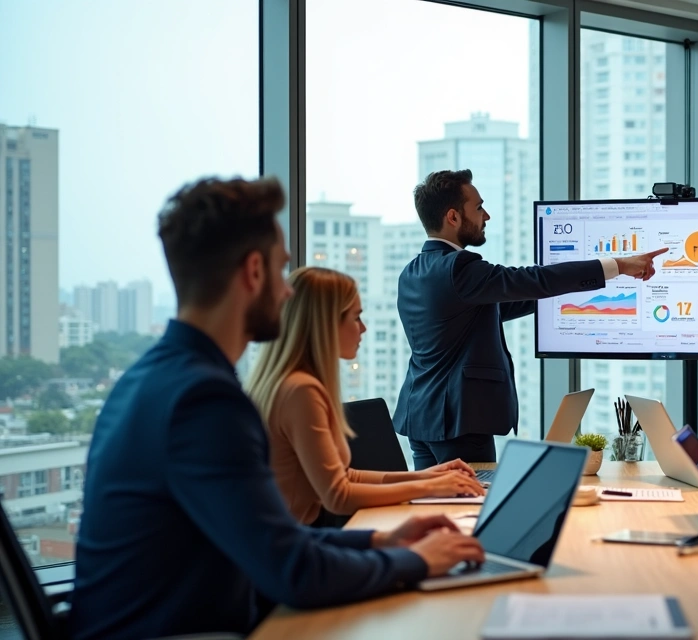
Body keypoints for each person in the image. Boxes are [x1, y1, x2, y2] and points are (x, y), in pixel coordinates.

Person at [70, 177, 486, 640]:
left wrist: (377, 539)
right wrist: (417, 561)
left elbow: (269, 537)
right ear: (253, 271)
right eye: (281, 269)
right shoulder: (204, 401)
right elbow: (295, 570)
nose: (288, 293)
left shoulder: (152, 378)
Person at [395, 169, 667, 467]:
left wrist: (571, 291)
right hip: (457, 423)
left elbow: (502, 305)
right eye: (478, 207)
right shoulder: (460, 267)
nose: (486, 216)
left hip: (420, 418)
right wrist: (618, 265)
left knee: (438, 506)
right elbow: (531, 280)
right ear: (453, 217)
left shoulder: (413, 272)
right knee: (471, 507)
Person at [247, 266, 486, 528]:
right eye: (356, 317)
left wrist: (425, 478)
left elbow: (345, 477)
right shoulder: (301, 390)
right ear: (326, 324)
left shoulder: (287, 382)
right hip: (294, 549)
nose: (364, 328)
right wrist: (429, 488)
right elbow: (338, 496)